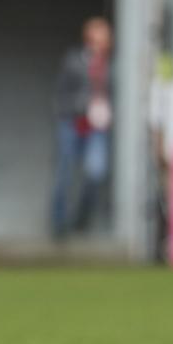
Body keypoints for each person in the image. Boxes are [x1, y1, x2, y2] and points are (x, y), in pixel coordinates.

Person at [51, 17, 114, 239]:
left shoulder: (113, 65)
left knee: (96, 171)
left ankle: (82, 217)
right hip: (72, 122)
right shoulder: (73, 60)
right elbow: (61, 95)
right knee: (64, 173)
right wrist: (83, 106)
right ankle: (58, 223)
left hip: (97, 128)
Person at [148, 54, 173, 262]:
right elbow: (157, 124)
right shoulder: (157, 90)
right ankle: (161, 243)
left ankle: (172, 240)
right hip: (164, 155)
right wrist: (159, 150)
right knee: (163, 198)